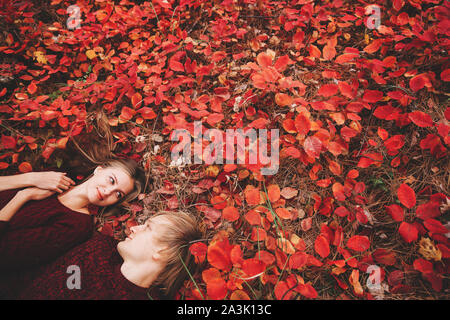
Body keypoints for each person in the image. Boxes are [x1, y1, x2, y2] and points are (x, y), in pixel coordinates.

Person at [0, 112, 147, 296]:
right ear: (98, 170)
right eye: (111, 180)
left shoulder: (77, 226)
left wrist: (23, 196)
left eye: (118, 194)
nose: (108, 192)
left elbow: (4, 253)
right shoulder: (54, 177)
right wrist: (31, 178)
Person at [12, 211, 203, 300]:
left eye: (148, 228)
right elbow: (43, 276)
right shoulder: (101, 248)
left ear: (162, 251)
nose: (135, 227)